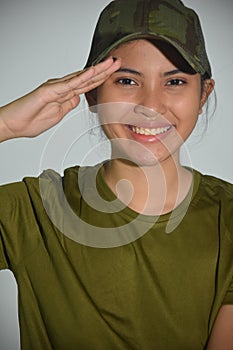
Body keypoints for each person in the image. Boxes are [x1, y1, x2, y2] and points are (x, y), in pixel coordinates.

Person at [0, 0, 232, 349]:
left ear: (203, 95)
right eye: (126, 80)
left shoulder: (227, 217)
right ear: (91, 92)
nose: (150, 105)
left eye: (175, 81)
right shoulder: (37, 211)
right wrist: (5, 124)